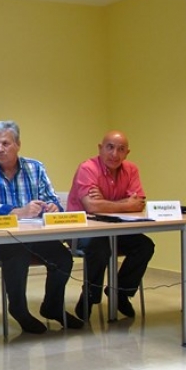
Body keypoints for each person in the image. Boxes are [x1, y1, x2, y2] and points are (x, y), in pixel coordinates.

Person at [0, 120, 83, 334]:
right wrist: (19, 212)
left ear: (18, 144)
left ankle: (52, 306)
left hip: (34, 235)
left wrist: (53, 207)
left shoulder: (35, 167)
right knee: (18, 254)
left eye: (5, 143)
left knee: (63, 257)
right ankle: (19, 309)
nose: (0, 149)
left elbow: (52, 198)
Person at [67, 131, 155, 320]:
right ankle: (89, 296)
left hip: (115, 230)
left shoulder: (131, 170)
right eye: (110, 147)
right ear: (100, 148)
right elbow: (92, 207)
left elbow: (139, 204)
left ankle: (120, 292)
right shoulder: (87, 168)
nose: (115, 154)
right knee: (100, 248)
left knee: (145, 246)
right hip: (81, 229)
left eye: (121, 149)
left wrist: (105, 202)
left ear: (127, 153)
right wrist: (125, 204)